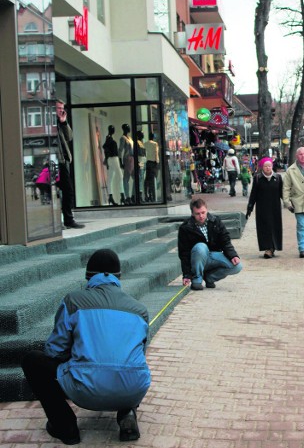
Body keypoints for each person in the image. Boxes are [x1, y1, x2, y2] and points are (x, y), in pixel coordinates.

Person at [21, 249, 150, 444]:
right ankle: (127, 414)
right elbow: (139, 352)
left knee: (32, 360)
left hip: (85, 390)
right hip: (134, 389)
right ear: (119, 277)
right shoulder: (140, 310)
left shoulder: (73, 301)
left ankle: (66, 427)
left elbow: (55, 350)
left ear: (89, 277)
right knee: (129, 362)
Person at [178, 198, 242, 290]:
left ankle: (210, 277)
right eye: (197, 213)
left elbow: (225, 241)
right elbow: (184, 253)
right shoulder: (185, 228)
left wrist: (233, 256)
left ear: (207, 210)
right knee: (201, 247)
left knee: (237, 266)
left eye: (203, 212)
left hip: (213, 256)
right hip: (197, 259)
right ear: (192, 214)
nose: (201, 216)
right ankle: (197, 280)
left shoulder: (216, 221)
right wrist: (186, 275)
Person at [246, 158, 283, 259]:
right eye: (266, 166)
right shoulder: (258, 178)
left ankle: (272, 247)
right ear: (262, 167)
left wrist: (289, 204)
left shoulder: (278, 178)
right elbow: (253, 194)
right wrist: (250, 207)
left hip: (275, 207)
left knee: (274, 227)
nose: (268, 168)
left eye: (269, 166)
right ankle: (268, 248)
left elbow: (283, 193)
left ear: (272, 167)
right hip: (262, 208)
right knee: (264, 228)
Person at [55, 100, 84, 228]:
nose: (61, 110)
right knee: (66, 190)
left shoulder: (60, 123)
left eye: (62, 108)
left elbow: (69, 137)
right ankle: (67, 219)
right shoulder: (49, 123)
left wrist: (64, 122)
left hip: (64, 160)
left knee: (65, 191)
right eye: (58, 108)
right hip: (56, 162)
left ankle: (67, 219)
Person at [103, 125, 125, 206]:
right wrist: (107, 159)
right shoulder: (109, 138)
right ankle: (122, 196)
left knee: (110, 178)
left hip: (111, 159)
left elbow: (105, 148)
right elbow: (105, 147)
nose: (113, 130)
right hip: (113, 158)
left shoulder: (108, 138)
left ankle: (111, 197)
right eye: (113, 129)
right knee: (120, 176)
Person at [118, 124, 135, 204]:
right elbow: (120, 150)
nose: (129, 128)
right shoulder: (123, 138)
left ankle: (132, 195)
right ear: (124, 129)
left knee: (136, 178)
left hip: (132, 159)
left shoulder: (130, 138)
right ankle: (127, 196)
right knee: (126, 179)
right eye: (127, 127)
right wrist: (120, 161)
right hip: (127, 159)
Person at [144, 132, 159, 202]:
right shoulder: (155, 144)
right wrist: (157, 162)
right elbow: (156, 153)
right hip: (153, 163)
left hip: (147, 163)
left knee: (148, 179)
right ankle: (152, 196)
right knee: (153, 180)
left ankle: (148, 194)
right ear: (153, 137)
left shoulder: (145, 144)